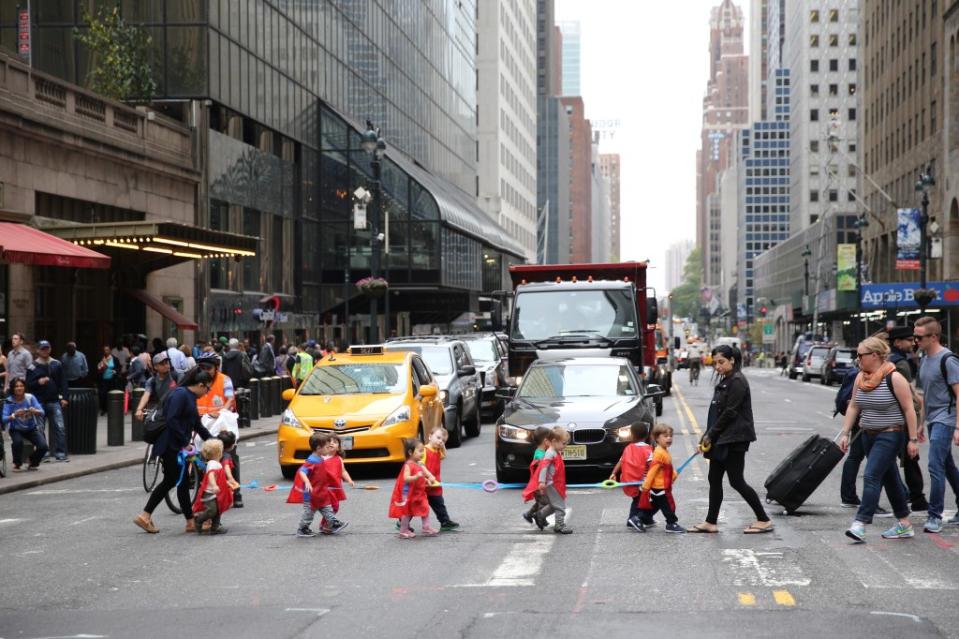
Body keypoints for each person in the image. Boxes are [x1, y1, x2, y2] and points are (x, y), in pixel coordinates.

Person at [838, 336, 919, 542]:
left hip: (891, 434)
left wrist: (912, 439)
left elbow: (910, 410)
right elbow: (854, 406)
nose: (857, 359)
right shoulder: (861, 378)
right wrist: (845, 433)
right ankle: (904, 523)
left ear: (874, 355)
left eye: (860, 355)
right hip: (868, 435)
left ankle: (860, 523)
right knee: (889, 478)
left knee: (872, 475)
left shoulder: (894, 378)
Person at [689, 345, 773, 534]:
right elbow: (718, 414)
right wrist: (707, 436)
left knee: (736, 480)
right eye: (715, 363)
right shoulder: (727, 380)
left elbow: (730, 413)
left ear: (732, 360)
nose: (717, 366)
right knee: (714, 478)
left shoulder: (737, 381)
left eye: (721, 362)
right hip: (722, 437)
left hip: (735, 438)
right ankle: (711, 522)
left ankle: (763, 519)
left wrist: (711, 435)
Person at [134, 368, 215, 534]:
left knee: (180, 482)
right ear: (200, 385)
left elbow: (197, 425)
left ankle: (189, 521)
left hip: (175, 446)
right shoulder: (180, 395)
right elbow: (171, 419)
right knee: (173, 481)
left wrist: (215, 442)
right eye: (208, 388)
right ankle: (146, 515)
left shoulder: (189, 397)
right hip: (170, 446)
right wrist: (185, 443)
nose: (207, 392)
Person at [913, 316, 959, 533]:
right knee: (947, 465)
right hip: (932, 419)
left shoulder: (948, 360)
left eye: (919, 337)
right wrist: (921, 424)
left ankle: (935, 515)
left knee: (935, 465)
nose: (916, 340)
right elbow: (924, 397)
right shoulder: (924, 360)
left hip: (946, 418)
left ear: (933, 337)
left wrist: (958, 427)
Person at [885, 325, 928, 511]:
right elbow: (908, 397)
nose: (913, 343)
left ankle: (906, 496)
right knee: (911, 459)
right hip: (901, 419)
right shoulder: (901, 364)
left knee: (886, 460)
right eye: (909, 340)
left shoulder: (885, 360)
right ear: (897, 342)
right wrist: (917, 423)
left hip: (886, 417)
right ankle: (917, 498)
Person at [289, 432, 348, 537]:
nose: (328, 448)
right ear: (319, 448)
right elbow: (302, 471)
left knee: (327, 509)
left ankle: (333, 524)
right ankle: (302, 529)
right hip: (312, 495)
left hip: (321, 492)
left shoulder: (320, 458)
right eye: (326, 447)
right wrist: (307, 482)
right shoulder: (312, 460)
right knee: (309, 514)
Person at [26, 340, 69, 462]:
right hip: (38, 402)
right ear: (38, 350)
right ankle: (43, 453)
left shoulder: (56, 364)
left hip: (54, 401)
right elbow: (28, 384)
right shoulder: (32, 367)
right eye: (42, 348)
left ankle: (61, 453)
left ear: (50, 349)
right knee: (40, 428)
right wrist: (38, 382)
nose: (45, 350)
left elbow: (63, 382)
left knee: (59, 427)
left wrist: (64, 397)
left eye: (47, 348)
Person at [638, 424, 684, 533]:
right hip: (660, 487)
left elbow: (665, 469)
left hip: (660, 486)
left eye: (671, 436)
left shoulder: (664, 451)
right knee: (668, 506)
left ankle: (641, 518)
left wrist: (674, 474)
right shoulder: (659, 453)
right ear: (657, 438)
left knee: (655, 505)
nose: (669, 438)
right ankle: (671, 523)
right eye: (665, 436)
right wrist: (646, 486)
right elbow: (652, 471)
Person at [610, 421, 654, 532]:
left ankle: (647, 519)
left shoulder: (628, 448)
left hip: (629, 480)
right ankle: (633, 519)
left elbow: (620, 462)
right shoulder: (648, 449)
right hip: (642, 482)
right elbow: (652, 465)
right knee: (640, 501)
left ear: (632, 435)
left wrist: (613, 473)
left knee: (636, 500)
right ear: (647, 435)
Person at [390, 438, 437, 538]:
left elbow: (421, 476)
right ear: (410, 452)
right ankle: (403, 530)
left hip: (419, 492)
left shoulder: (418, 463)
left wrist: (426, 480)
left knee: (425, 507)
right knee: (406, 512)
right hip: (408, 494)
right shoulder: (408, 465)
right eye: (420, 451)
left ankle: (426, 527)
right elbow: (406, 478)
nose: (422, 453)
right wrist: (416, 477)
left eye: (423, 451)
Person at [2, 377, 49, 471]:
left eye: (21, 386)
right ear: (12, 388)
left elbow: (42, 412)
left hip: (31, 428)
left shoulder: (30, 398)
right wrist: (15, 415)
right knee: (17, 442)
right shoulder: (9, 400)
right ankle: (17, 463)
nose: (19, 388)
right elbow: (3, 419)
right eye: (16, 386)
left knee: (43, 446)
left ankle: (32, 462)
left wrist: (35, 411)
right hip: (16, 429)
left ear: (24, 387)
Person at [534, 426, 573, 534]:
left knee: (554, 504)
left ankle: (540, 515)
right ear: (554, 441)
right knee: (560, 505)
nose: (565, 446)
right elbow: (543, 467)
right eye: (563, 443)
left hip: (557, 483)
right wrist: (541, 482)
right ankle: (559, 525)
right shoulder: (550, 453)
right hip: (552, 484)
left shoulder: (556, 451)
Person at [423, 427, 460, 531]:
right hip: (423, 484)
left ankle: (444, 521)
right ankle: (402, 522)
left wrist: (442, 446)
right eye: (438, 437)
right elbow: (420, 465)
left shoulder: (438, 451)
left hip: (434, 485)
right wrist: (428, 476)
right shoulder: (424, 450)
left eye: (443, 440)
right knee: (416, 504)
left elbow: (444, 455)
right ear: (430, 436)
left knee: (439, 504)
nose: (440, 441)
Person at [192, 438, 231, 535]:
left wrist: (226, 483)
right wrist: (213, 485)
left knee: (217, 510)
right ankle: (199, 519)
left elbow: (219, 477)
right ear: (218, 452)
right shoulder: (213, 464)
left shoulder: (216, 464)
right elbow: (211, 475)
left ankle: (215, 527)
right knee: (212, 511)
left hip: (214, 493)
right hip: (209, 493)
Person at [134, 351, 181, 421]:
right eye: (162, 364)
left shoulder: (176, 376)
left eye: (167, 363)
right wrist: (139, 409)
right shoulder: (152, 380)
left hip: (177, 411)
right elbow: (146, 394)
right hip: (162, 412)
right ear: (155, 367)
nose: (166, 365)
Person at [522, 426, 553, 528]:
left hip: (540, 483)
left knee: (541, 502)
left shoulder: (541, 451)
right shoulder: (540, 454)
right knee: (545, 502)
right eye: (551, 440)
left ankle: (529, 514)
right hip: (538, 484)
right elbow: (541, 464)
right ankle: (539, 517)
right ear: (545, 441)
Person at [324, 434, 355, 526]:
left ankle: (326, 524)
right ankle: (327, 524)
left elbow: (343, 471)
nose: (331, 443)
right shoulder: (320, 458)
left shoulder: (339, 459)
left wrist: (349, 480)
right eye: (329, 441)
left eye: (335, 442)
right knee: (327, 507)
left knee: (335, 507)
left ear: (338, 447)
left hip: (335, 488)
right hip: (324, 488)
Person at [96, 346, 121, 415]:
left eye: (107, 350)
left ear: (110, 351)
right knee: (103, 395)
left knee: (111, 395)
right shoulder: (102, 359)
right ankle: (104, 409)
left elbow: (119, 367)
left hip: (112, 380)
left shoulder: (114, 359)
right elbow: (98, 369)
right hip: (103, 380)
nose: (106, 351)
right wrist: (101, 367)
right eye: (104, 350)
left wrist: (115, 371)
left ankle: (111, 409)